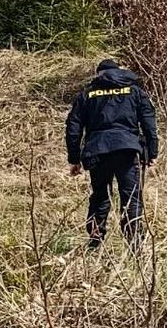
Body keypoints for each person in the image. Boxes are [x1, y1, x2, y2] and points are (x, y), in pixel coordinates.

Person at [64, 58, 159, 250]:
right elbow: (149, 122)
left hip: (97, 152)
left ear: (99, 73)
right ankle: (136, 247)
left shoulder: (87, 94)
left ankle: (94, 244)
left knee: (99, 197)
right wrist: (152, 152)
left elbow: (73, 127)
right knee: (131, 198)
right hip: (127, 150)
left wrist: (74, 159)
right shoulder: (134, 91)